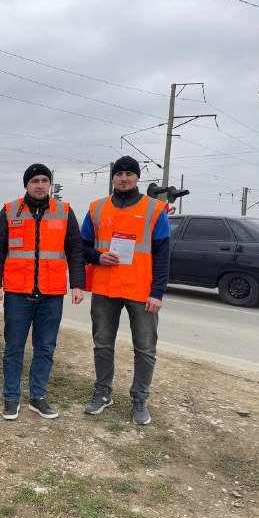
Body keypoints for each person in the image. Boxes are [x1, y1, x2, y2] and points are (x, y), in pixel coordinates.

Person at [0, 164, 85, 421]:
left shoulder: (64, 211)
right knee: (14, 348)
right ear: (26, 185)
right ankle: (11, 398)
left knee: (45, 347)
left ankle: (38, 396)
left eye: (44, 180)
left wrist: (77, 284)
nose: (40, 185)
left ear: (50, 184)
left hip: (51, 293)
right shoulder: (10, 210)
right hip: (17, 293)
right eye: (34, 181)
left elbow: (75, 249)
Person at [80, 155, 170, 425]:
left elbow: (163, 254)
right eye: (119, 173)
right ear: (113, 178)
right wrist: (97, 257)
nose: (124, 178)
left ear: (137, 178)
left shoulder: (155, 209)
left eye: (129, 174)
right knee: (102, 344)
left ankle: (140, 398)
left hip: (140, 290)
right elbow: (82, 246)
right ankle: (103, 392)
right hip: (105, 288)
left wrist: (157, 292)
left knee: (144, 348)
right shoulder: (97, 208)